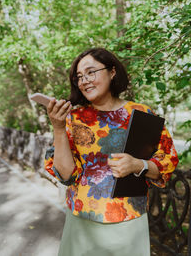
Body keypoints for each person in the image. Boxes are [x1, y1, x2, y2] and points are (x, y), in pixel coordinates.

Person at [44, 48, 179, 256]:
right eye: (79, 77)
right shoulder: (72, 118)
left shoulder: (142, 114)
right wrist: (59, 128)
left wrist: (138, 165)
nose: (84, 81)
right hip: (82, 222)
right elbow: (65, 175)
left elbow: (166, 163)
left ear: (112, 72)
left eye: (91, 72)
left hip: (129, 223)